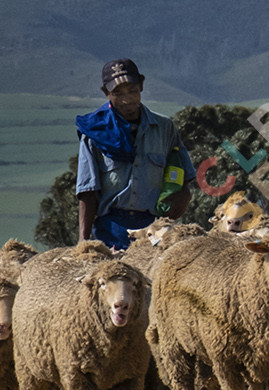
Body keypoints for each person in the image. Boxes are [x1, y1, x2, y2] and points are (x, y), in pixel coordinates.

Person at [75, 58, 193, 249]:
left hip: (153, 228)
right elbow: (87, 191)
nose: (127, 99)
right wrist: (83, 241)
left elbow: (182, 170)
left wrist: (184, 194)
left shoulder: (164, 128)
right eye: (117, 93)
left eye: (132, 91)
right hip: (111, 228)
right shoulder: (93, 133)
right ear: (106, 93)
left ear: (142, 86)